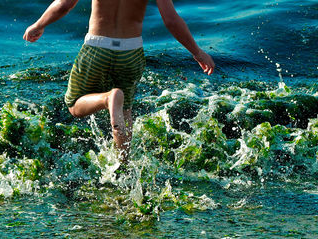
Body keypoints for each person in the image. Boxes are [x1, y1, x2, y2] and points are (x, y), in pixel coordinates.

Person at [23, 0, 215, 162]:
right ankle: (123, 164)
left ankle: (106, 99)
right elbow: (171, 20)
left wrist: (39, 25)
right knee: (125, 109)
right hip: (130, 52)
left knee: (74, 104)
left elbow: (65, 5)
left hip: (97, 47)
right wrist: (197, 53)